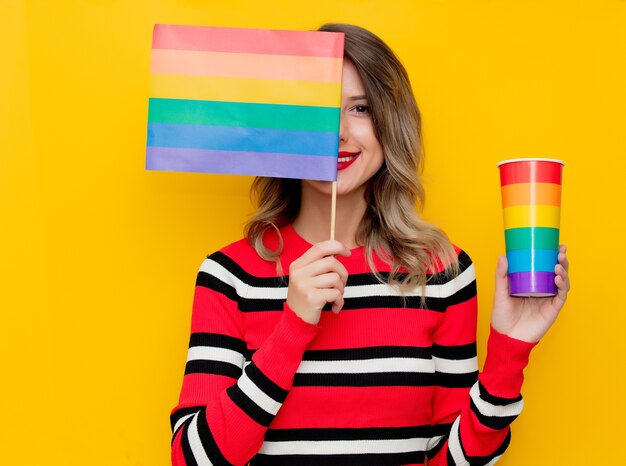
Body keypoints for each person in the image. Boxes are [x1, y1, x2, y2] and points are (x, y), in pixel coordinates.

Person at [170, 23, 570, 466]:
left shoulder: (441, 273)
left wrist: (509, 353)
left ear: (388, 124)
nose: (338, 132)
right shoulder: (230, 276)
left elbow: (453, 459)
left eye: (359, 108)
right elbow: (194, 460)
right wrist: (293, 327)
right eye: (320, 109)